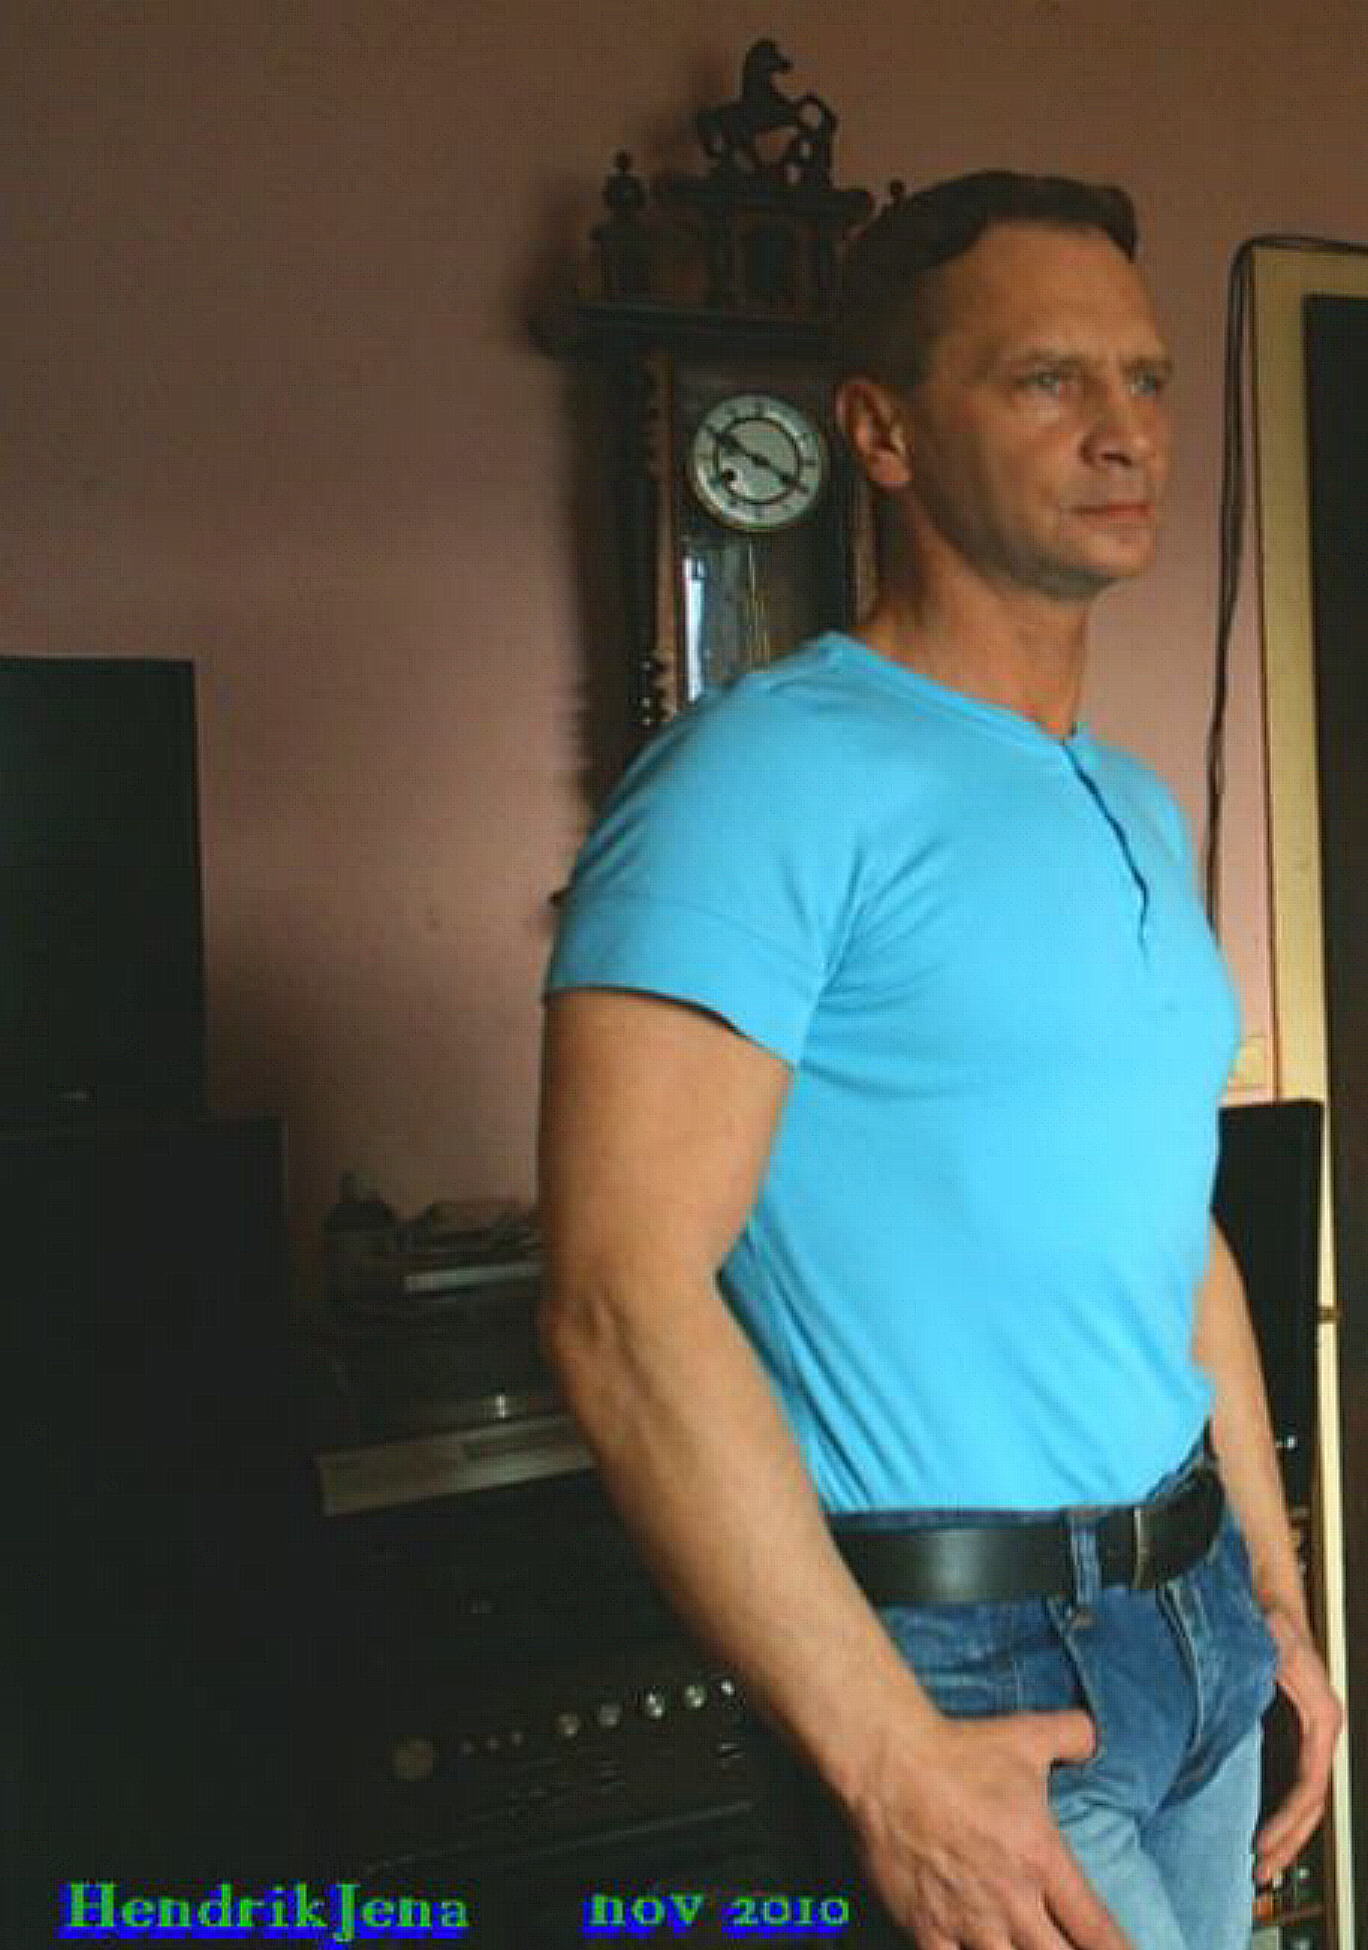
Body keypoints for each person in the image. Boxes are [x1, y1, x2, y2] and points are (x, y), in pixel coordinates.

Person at [536, 171, 1341, 1949]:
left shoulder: (1126, 797)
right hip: (965, 1674)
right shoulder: (761, 777)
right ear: (883, 430)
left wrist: (1280, 1602)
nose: (1125, 429)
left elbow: (1173, 1232)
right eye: (1049, 379)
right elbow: (615, 1300)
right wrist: (889, 1761)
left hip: (1195, 1623)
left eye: (1144, 378)